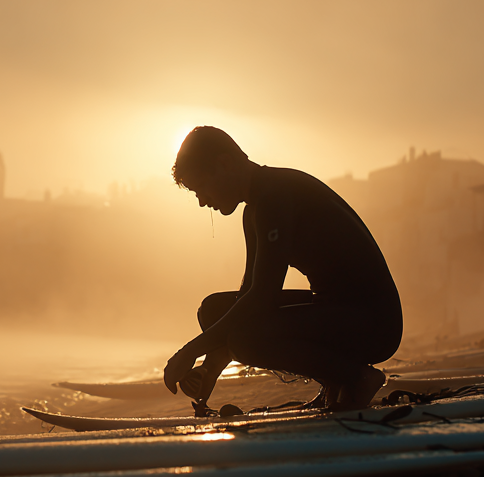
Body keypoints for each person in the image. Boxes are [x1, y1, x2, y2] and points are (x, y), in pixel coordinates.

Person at [162, 126, 402, 411]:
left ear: (224, 164)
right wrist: (210, 368)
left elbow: (263, 296)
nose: (202, 201)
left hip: (375, 322)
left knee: (245, 341)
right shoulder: (255, 209)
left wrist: (189, 351)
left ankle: (356, 379)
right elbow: (249, 293)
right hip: (339, 312)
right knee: (214, 309)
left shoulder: (274, 197)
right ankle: (336, 381)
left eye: (200, 187)